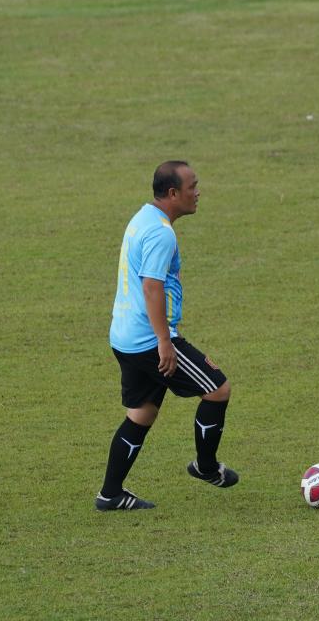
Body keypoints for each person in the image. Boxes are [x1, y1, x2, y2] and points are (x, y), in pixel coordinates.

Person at [96, 160, 237, 511]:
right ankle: (206, 467)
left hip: (124, 336)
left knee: (141, 414)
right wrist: (164, 341)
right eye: (192, 187)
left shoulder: (142, 217)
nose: (198, 192)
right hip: (150, 340)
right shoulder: (161, 233)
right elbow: (151, 287)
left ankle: (110, 494)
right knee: (217, 390)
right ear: (173, 193)